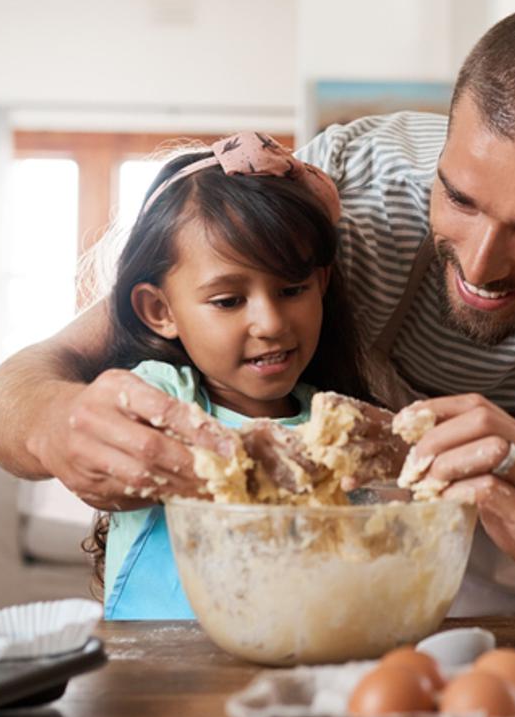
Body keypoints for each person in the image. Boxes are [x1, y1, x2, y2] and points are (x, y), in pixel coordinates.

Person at [0, 0, 515, 621]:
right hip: (358, 587)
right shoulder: (351, 190)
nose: (480, 264)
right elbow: (18, 388)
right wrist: (56, 423)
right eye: (461, 198)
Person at [85, 133, 371, 619]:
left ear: (321, 285)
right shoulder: (161, 401)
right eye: (228, 301)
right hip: (153, 674)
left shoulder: (338, 423)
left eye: (292, 289)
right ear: (160, 309)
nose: (271, 323)